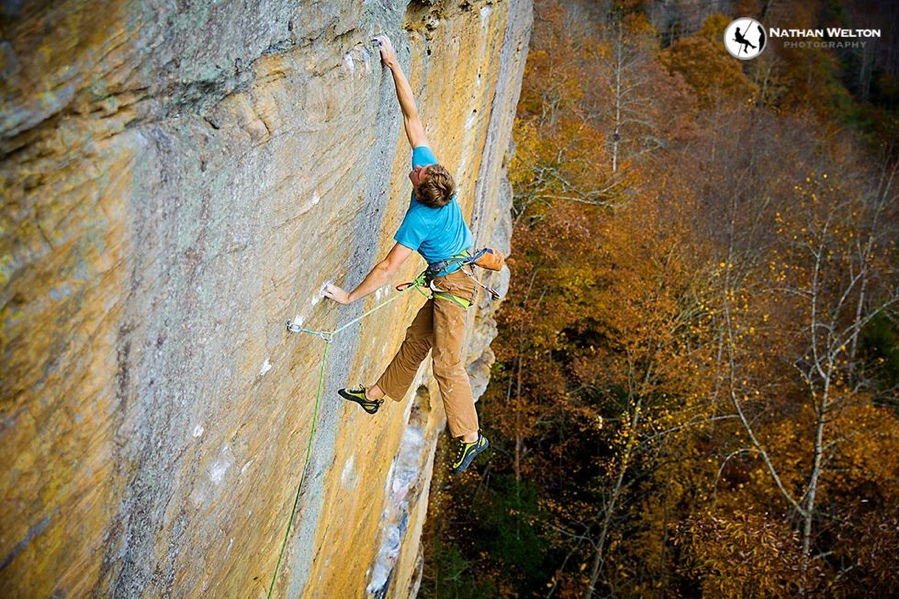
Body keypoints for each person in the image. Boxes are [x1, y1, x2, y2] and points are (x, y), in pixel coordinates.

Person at [323, 34, 489, 475]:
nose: (412, 168)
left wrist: (348, 297)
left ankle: (472, 437)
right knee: (415, 342)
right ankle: (375, 396)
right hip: (447, 280)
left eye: (415, 174)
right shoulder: (436, 178)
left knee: (446, 363)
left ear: (421, 191)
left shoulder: (420, 216)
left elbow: (387, 266)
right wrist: (393, 62)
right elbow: (411, 115)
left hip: (454, 289)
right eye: (419, 167)